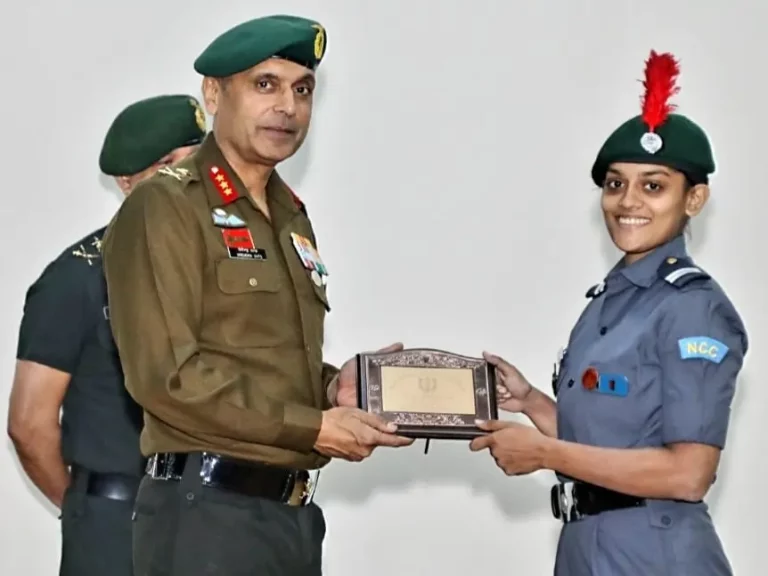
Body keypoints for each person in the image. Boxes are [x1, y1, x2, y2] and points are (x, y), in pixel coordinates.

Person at [100, 15, 413, 576]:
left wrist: (336, 390)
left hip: (289, 516)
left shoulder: (291, 217)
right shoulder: (166, 206)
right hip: (206, 517)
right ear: (214, 94)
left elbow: (261, 360)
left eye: (303, 89)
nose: (288, 107)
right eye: (265, 84)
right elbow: (169, 376)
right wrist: (315, 427)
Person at [470, 50, 748, 575]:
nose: (628, 202)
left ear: (694, 199)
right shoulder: (609, 301)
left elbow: (688, 473)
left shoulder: (694, 309)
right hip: (585, 550)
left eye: (653, 185)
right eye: (615, 183)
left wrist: (546, 455)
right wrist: (531, 402)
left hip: (655, 555)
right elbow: (602, 443)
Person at [7, 93, 207, 576]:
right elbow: (29, 424)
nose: (186, 178)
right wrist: (86, 507)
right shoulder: (77, 278)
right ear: (126, 180)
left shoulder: (216, 271)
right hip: (117, 527)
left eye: (196, 161)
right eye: (167, 164)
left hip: (214, 522)